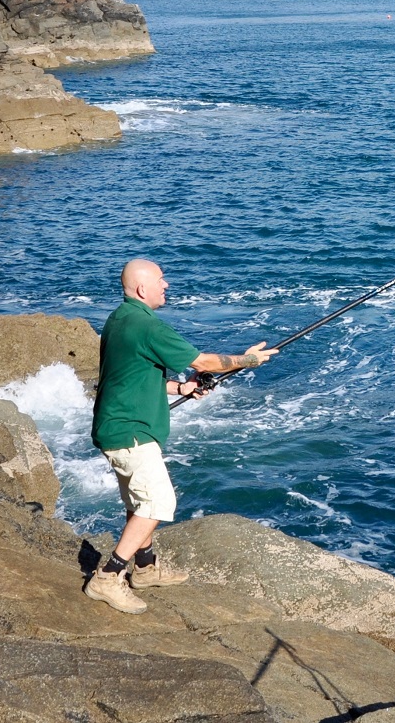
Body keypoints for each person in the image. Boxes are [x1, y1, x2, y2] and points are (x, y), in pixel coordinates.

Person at [84, 257, 274, 614]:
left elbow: (131, 376)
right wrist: (248, 361)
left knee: (138, 504)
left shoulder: (120, 320)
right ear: (142, 289)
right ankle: (108, 577)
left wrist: (180, 389)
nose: (166, 285)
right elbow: (204, 362)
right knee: (157, 503)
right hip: (132, 433)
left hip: (115, 426)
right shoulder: (147, 327)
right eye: (161, 279)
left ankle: (145, 567)